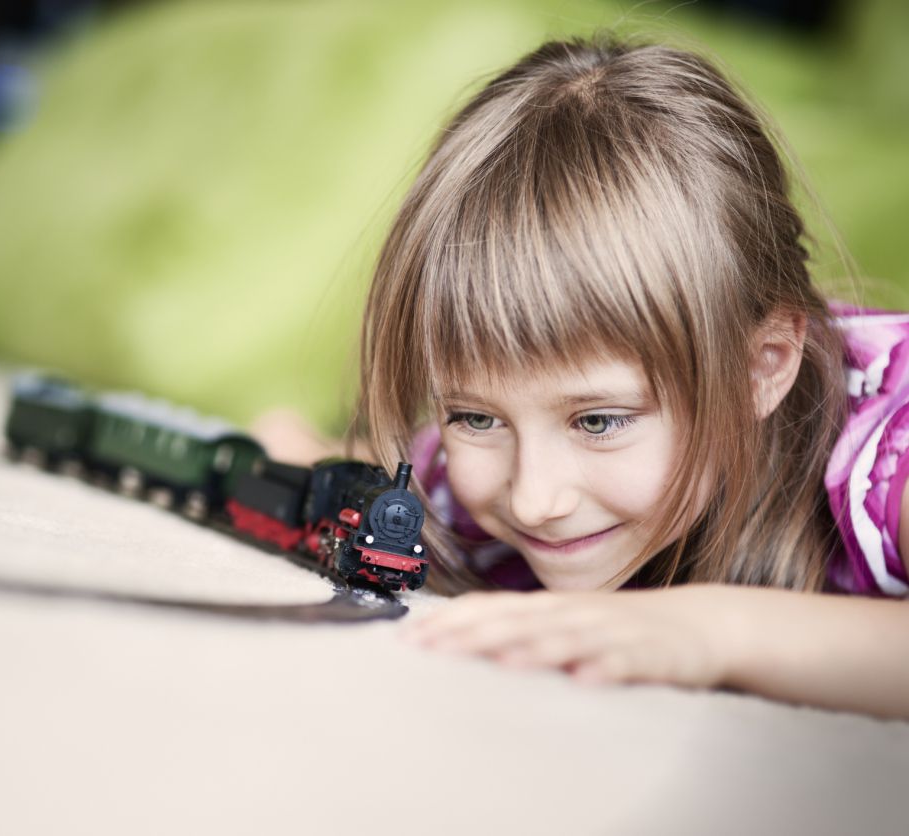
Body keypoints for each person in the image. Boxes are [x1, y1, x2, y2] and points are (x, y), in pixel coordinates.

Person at [288, 36, 909, 718]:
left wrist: (711, 630)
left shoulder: (887, 452)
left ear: (759, 370)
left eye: (598, 421)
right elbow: (349, 474)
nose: (533, 500)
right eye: (475, 416)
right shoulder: (478, 487)